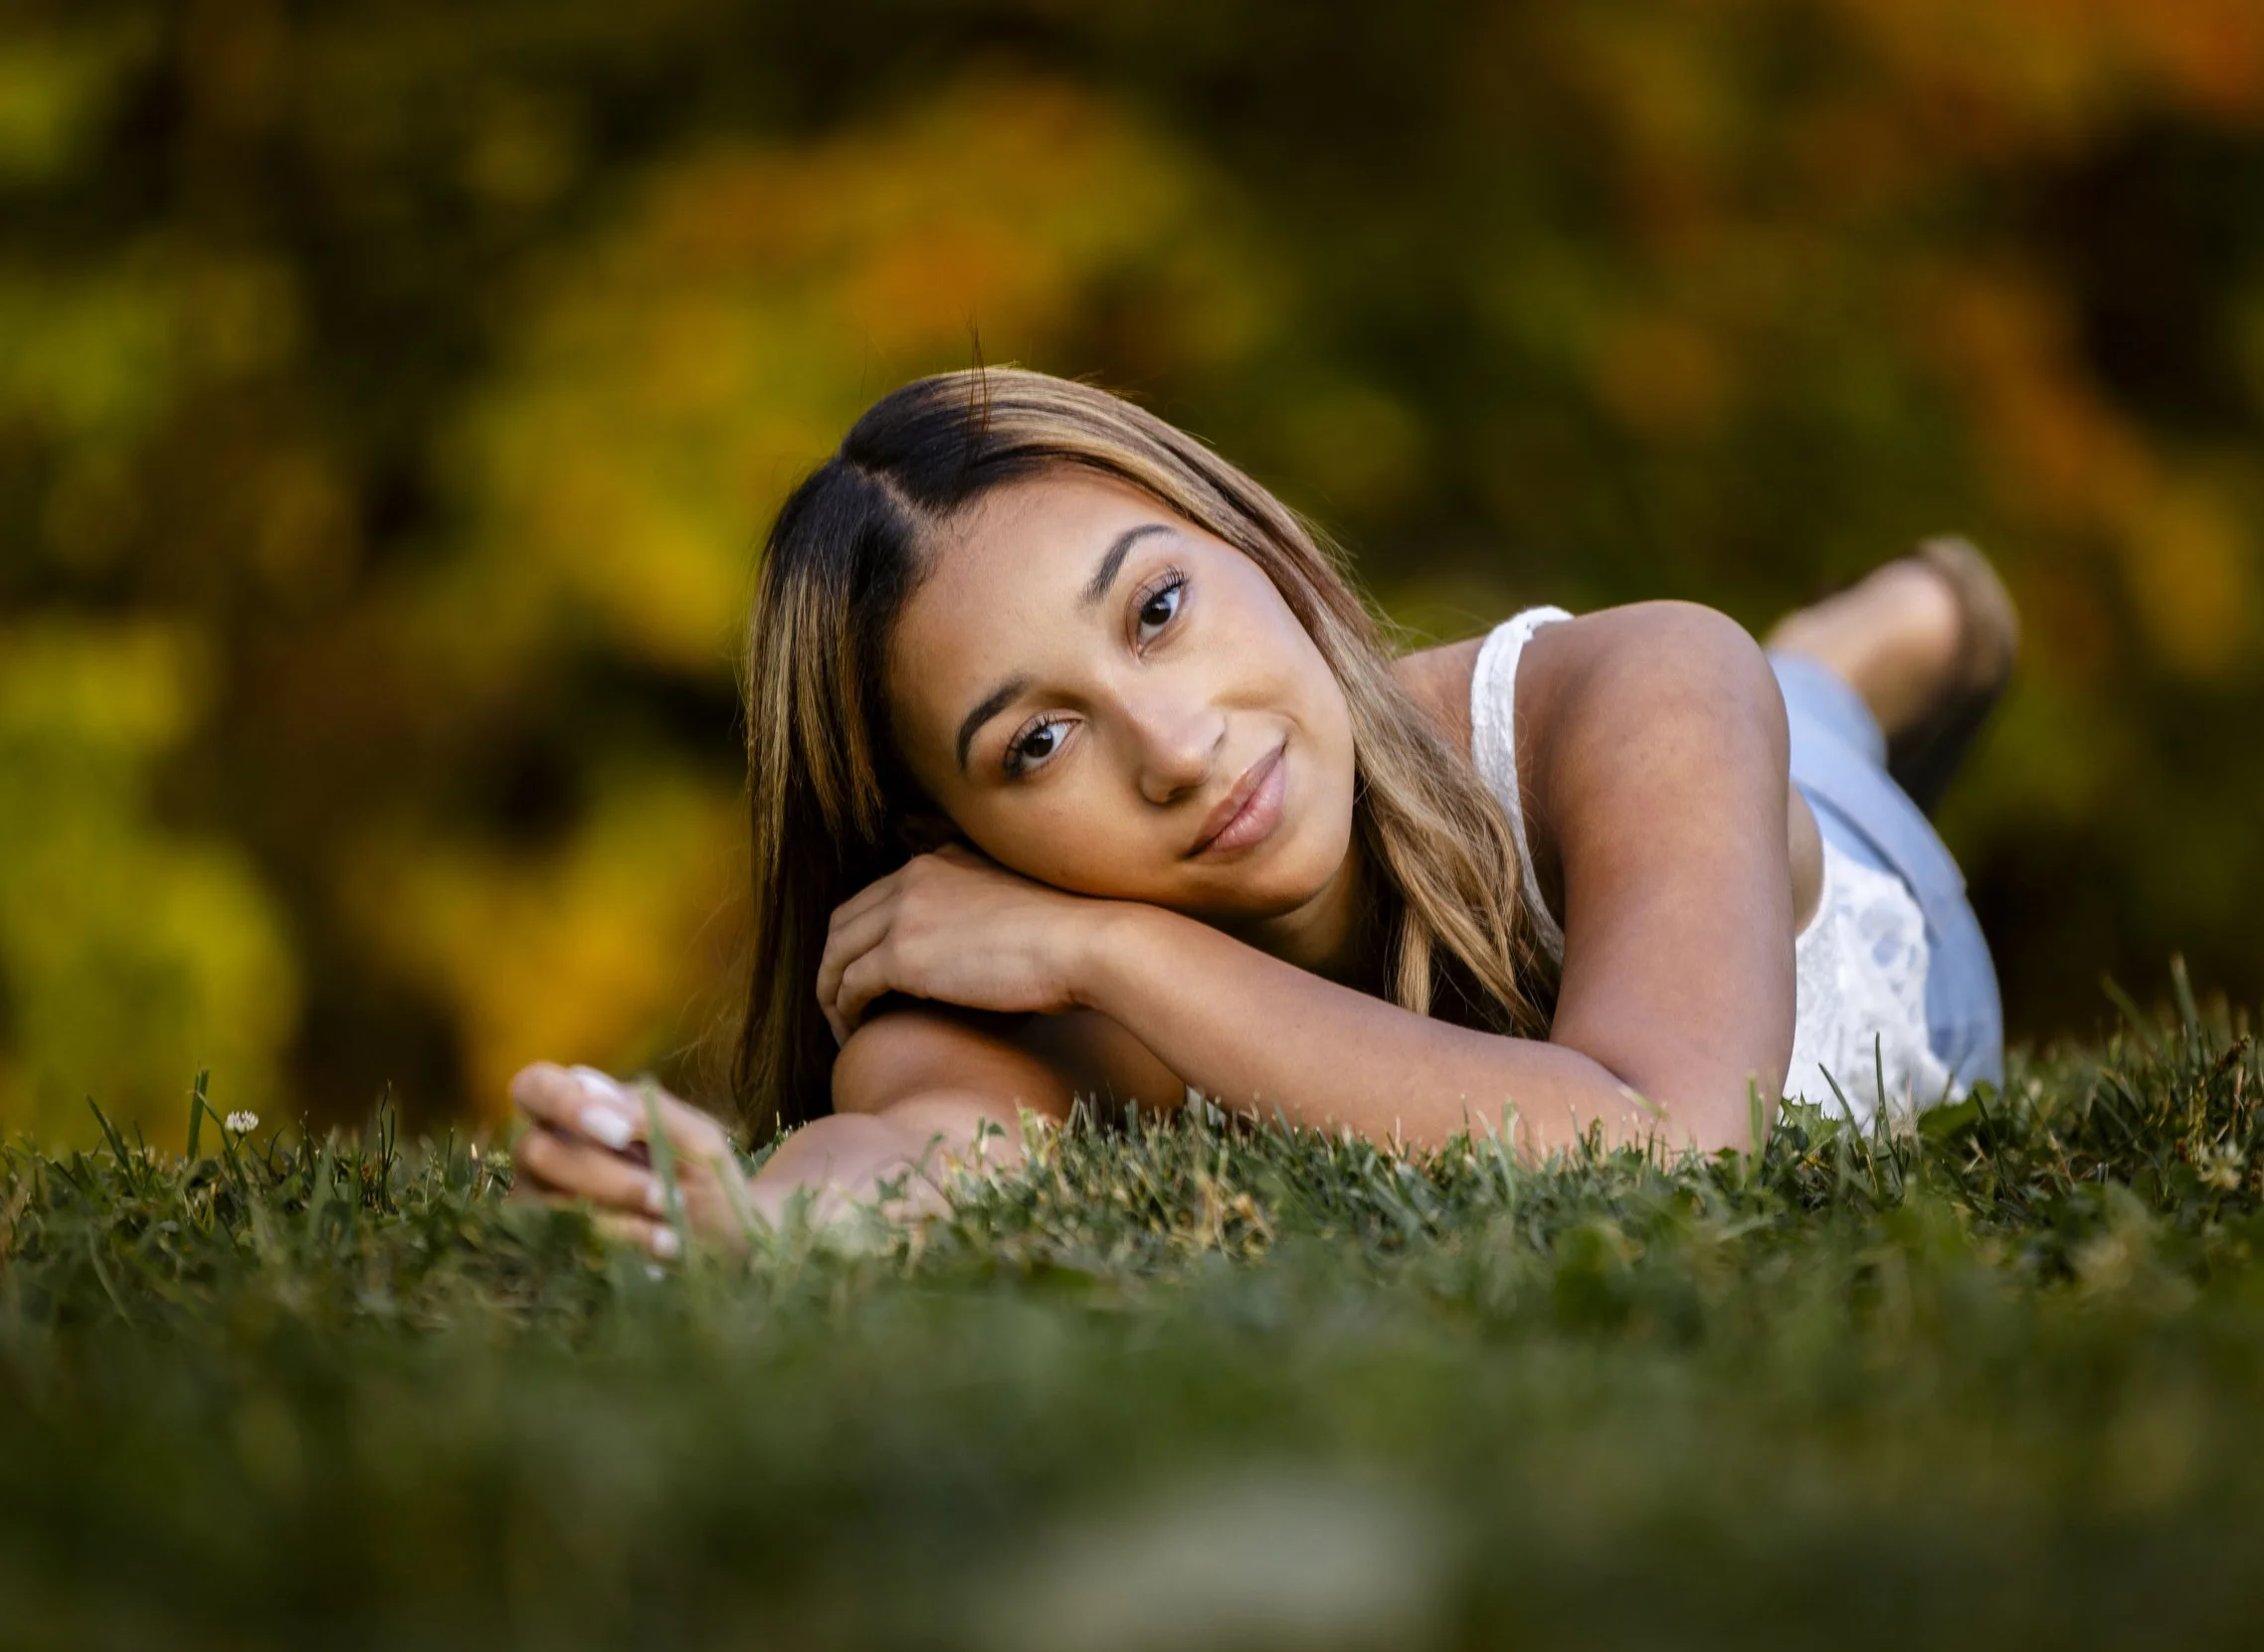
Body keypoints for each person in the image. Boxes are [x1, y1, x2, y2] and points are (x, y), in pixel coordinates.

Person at [507, 368, 2012, 1256]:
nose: (1173, 746)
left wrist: (1128, 958)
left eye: (1158, 607)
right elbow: (916, 1149)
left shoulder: (1631, 689)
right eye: (1035, 741)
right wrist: (746, 1220)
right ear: (950, 845)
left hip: (1854, 870)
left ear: (1253, 544)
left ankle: (1894, 629)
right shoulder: (1007, 989)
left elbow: (1684, 1147)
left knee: (1792, 707)